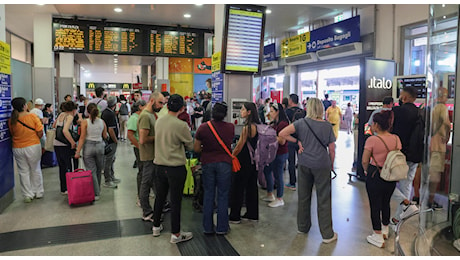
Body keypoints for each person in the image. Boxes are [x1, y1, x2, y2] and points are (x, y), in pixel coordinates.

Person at [279, 97, 337, 244]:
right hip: (322, 164)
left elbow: (282, 134)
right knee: (324, 198)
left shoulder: (301, 123)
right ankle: (327, 235)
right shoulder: (327, 126)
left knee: (303, 196)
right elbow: (332, 149)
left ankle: (303, 227)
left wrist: (297, 141)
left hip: (304, 162)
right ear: (321, 109)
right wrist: (331, 164)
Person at [152, 94, 194, 244]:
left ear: (167, 105)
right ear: (182, 108)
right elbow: (190, 145)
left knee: (160, 197)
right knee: (175, 200)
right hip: (175, 168)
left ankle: (156, 226)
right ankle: (176, 234)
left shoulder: (158, 121)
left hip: (159, 165)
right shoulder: (181, 125)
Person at [194, 102, 235, 235]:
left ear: (212, 113)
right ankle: (222, 228)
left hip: (208, 163)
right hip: (225, 164)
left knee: (208, 194)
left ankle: (207, 227)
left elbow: (195, 148)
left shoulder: (203, 128)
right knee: (223, 195)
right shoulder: (230, 127)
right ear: (225, 114)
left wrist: (206, 149)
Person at [361, 110, 401, 248]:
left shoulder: (372, 140)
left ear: (377, 125)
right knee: (386, 202)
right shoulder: (396, 139)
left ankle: (377, 235)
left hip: (375, 174)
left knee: (374, 204)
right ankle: (385, 229)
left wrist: (366, 171)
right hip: (391, 176)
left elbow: (365, 160)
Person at [390, 86, 421, 225]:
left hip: (400, 154)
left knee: (386, 182)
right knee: (406, 184)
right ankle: (399, 217)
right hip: (415, 155)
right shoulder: (420, 112)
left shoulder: (398, 111)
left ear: (405, 98)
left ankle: (406, 204)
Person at [229, 102, 260, 224]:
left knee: (238, 188)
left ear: (249, 112)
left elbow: (240, 145)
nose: (241, 111)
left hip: (244, 160)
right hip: (254, 160)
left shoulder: (247, 128)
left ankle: (235, 216)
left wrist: (232, 155)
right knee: (252, 187)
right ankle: (252, 214)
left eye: (243, 109)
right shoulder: (258, 125)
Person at [8, 97, 44, 203]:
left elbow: (11, 133)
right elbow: (40, 131)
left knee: (23, 171)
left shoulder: (11, 120)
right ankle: (38, 192)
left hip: (17, 147)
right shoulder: (32, 116)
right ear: (24, 106)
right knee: (35, 169)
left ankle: (27, 195)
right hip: (33, 145)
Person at [138, 92, 165, 222]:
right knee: (146, 183)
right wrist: (159, 137)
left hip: (154, 155)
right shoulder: (145, 116)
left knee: (155, 182)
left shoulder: (152, 115)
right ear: (152, 101)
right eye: (160, 103)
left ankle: (160, 206)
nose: (161, 106)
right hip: (148, 155)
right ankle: (146, 211)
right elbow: (142, 139)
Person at [74, 103, 108, 201]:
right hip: (100, 146)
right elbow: (105, 136)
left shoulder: (85, 122)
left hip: (88, 147)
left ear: (87, 112)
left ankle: (96, 193)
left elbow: (82, 137)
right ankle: (98, 189)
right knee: (98, 169)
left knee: (91, 170)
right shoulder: (102, 122)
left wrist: (78, 151)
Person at [261, 103, 289, 208]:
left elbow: (282, 141)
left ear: (278, 112)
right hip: (272, 153)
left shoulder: (283, 124)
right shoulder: (275, 123)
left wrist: (270, 136)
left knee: (278, 175)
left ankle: (280, 198)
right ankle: (270, 193)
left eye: (272, 111)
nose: (270, 113)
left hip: (280, 153)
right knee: (267, 171)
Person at [428, 87, 450, 210]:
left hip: (432, 144)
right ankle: (430, 201)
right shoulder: (442, 107)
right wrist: (447, 136)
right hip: (438, 146)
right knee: (435, 175)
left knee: (431, 174)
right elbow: (447, 124)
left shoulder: (433, 107)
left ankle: (428, 198)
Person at [53, 101, 79, 195]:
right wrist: (72, 142)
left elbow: (54, 125)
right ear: (73, 110)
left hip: (56, 144)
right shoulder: (69, 117)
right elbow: (65, 131)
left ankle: (63, 188)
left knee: (62, 166)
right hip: (65, 145)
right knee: (69, 166)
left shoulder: (61, 115)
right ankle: (69, 186)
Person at [127, 99, 147, 206]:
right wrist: (139, 146)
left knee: (146, 171)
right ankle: (140, 195)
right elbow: (130, 135)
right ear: (140, 107)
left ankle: (144, 193)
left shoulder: (142, 117)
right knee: (142, 171)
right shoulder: (134, 118)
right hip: (140, 148)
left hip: (145, 148)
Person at [284, 94, 305, 191]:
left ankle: (292, 183)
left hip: (291, 139)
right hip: (302, 139)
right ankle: (304, 182)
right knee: (302, 162)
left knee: (291, 162)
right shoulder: (303, 111)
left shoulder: (287, 112)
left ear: (290, 101)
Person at [101, 96, 120, 188]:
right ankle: (108, 179)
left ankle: (112, 176)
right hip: (110, 140)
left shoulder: (105, 112)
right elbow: (111, 130)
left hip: (107, 140)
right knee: (109, 160)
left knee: (111, 159)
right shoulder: (110, 114)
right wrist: (115, 140)